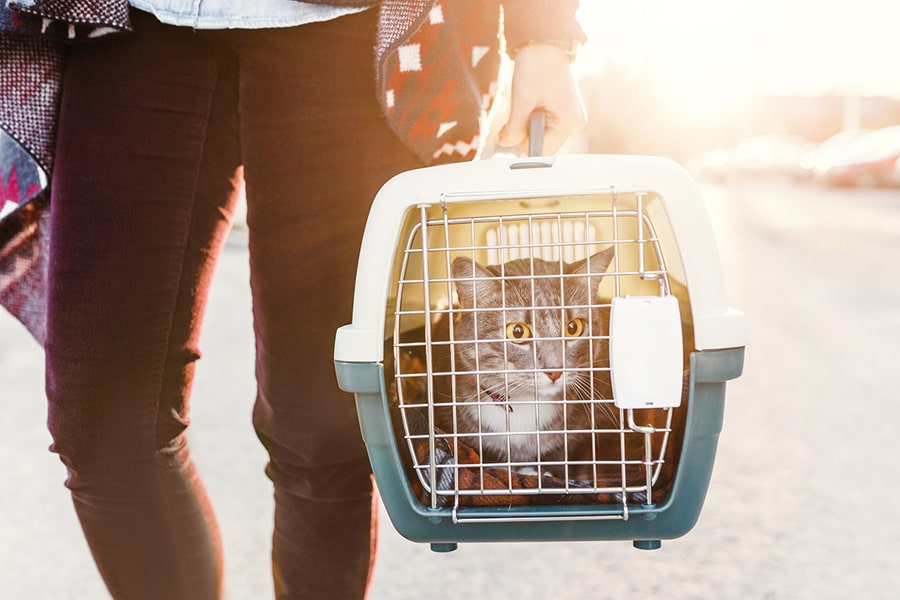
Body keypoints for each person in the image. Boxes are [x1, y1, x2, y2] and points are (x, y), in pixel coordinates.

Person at [0, 0, 587, 598]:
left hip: (349, 38)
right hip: (132, 26)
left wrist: (543, 35)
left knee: (326, 429)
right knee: (104, 429)